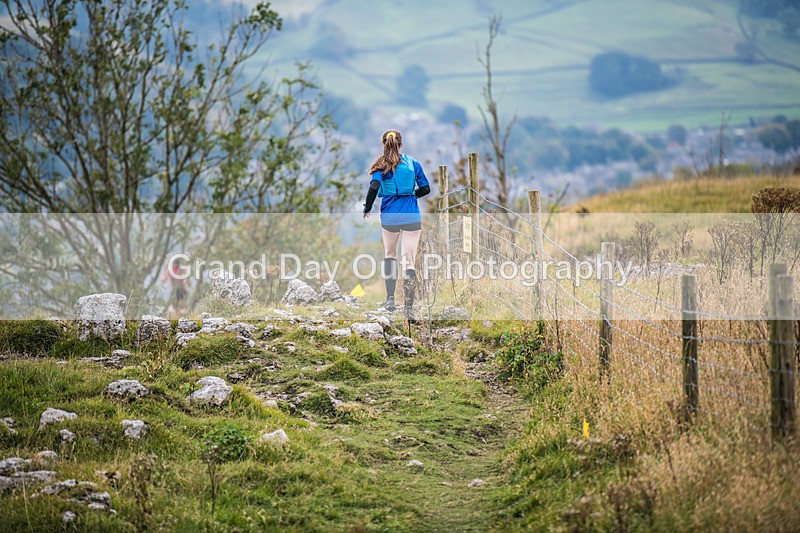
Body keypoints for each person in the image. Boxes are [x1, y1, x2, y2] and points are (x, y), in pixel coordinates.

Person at [362, 129, 430, 322]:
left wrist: (367, 208)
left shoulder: (380, 165)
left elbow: (374, 187)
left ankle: (390, 299)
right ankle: (408, 310)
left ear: (384, 144)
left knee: (390, 255)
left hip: (390, 216)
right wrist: (412, 195)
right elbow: (426, 189)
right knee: (409, 262)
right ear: (401, 145)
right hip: (411, 216)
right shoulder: (413, 164)